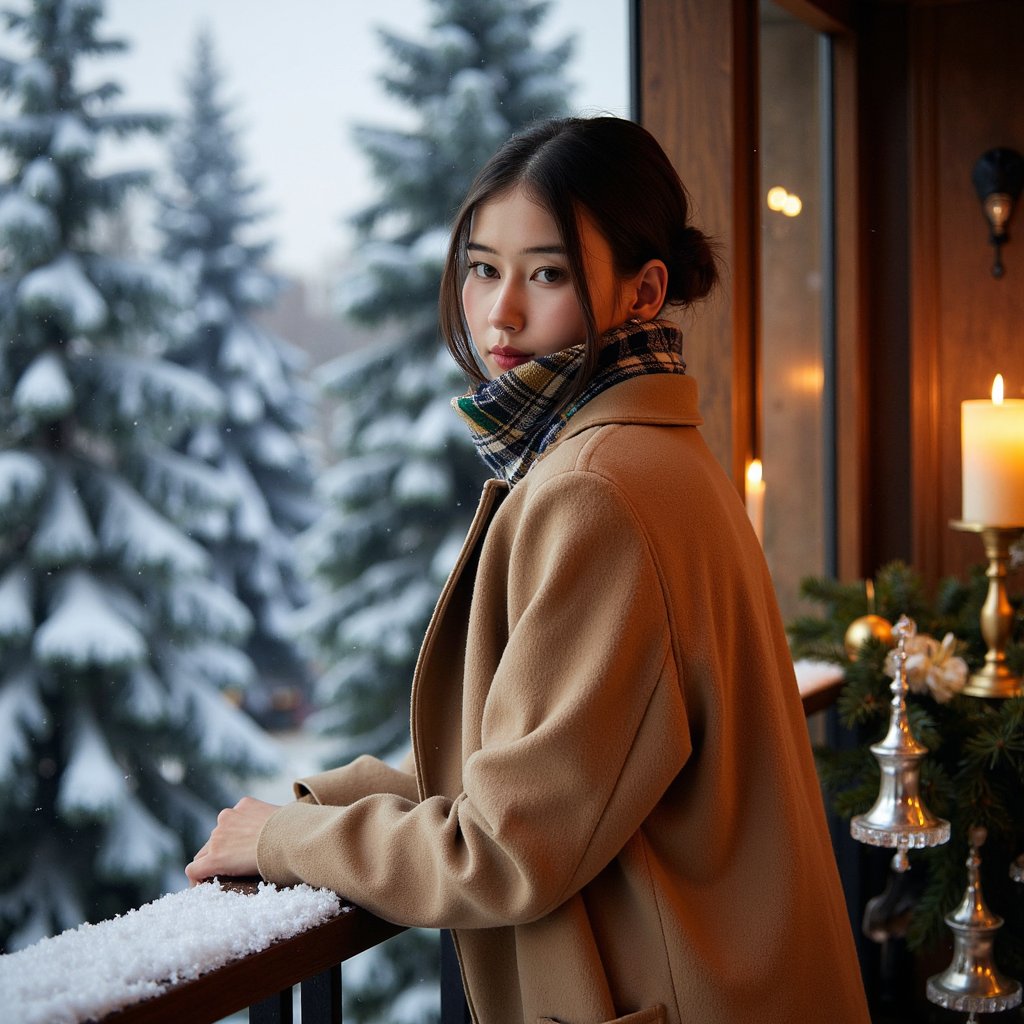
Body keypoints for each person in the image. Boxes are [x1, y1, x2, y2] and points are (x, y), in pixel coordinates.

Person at [187, 116, 870, 1024]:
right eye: (482, 268)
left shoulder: (597, 491)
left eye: (546, 273)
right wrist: (328, 802)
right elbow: (536, 767)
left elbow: (502, 849)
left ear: (643, 290)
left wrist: (287, 839)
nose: (500, 311)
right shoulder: (653, 456)